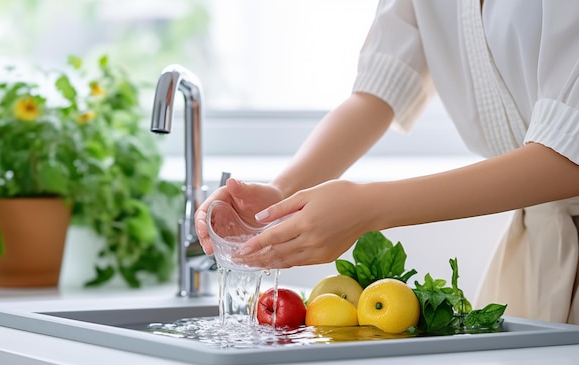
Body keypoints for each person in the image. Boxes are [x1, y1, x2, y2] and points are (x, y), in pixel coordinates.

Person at [195, 0, 579, 324]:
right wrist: (281, 194)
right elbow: (380, 87)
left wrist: (367, 208)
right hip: (540, 252)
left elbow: (568, 156)